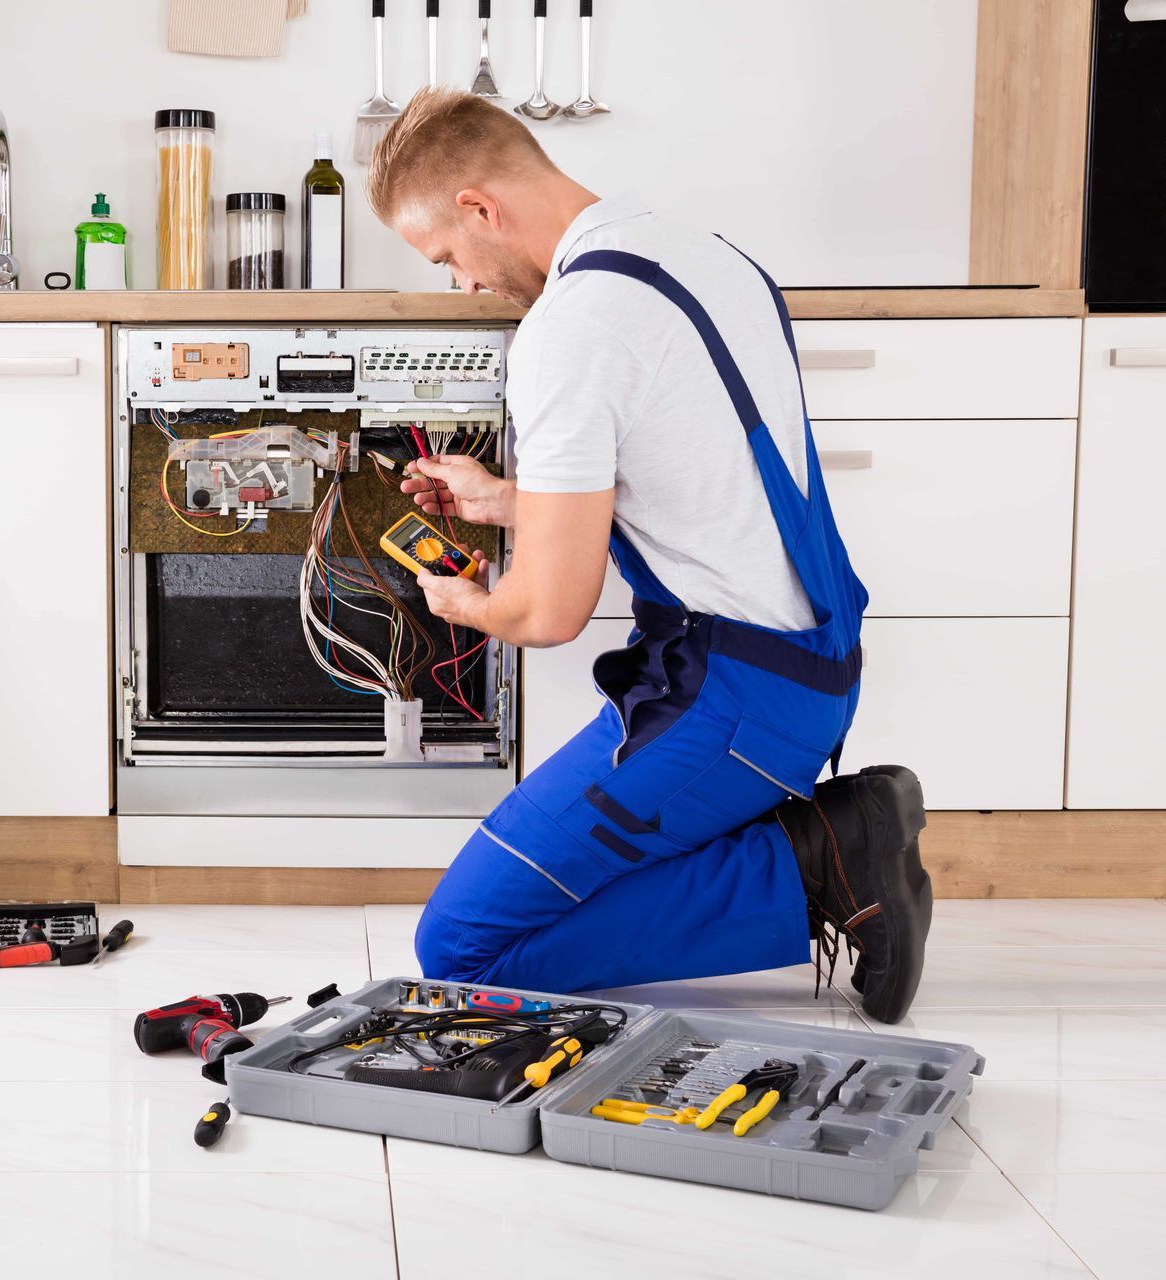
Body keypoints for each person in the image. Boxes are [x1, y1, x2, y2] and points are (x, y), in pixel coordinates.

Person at [367, 89, 933, 1023]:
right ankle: (816, 848)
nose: (462, 283)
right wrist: (509, 502)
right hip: (813, 667)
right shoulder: (708, 258)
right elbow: (698, 481)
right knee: (532, 901)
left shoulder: (571, 327)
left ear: (479, 208)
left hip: (731, 702)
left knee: (461, 946)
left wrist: (457, 602)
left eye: (448, 258)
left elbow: (547, 614)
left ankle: (821, 859)